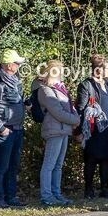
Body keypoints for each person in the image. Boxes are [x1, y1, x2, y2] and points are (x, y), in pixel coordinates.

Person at [34, 60, 79, 206]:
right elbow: (57, 111)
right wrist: (75, 120)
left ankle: (57, 194)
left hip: (63, 130)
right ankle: (47, 196)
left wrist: (74, 119)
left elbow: (68, 107)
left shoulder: (60, 88)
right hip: (54, 130)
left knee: (58, 165)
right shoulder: (45, 90)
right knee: (49, 164)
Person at [77, 54, 108, 198]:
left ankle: (105, 189)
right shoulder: (86, 85)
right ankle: (88, 190)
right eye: (107, 68)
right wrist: (79, 130)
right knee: (91, 158)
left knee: (107, 158)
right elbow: (81, 108)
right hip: (93, 128)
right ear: (98, 69)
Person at [0, 49, 29, 208]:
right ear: (8, 65)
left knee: (13, 166)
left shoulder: (15, 79)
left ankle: (11, 196)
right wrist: (1, 128)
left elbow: (18, 99)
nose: (19, 65)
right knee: (1, 166)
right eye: (17, 63)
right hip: (5, 130)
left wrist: (26, 103)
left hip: (18, 128)